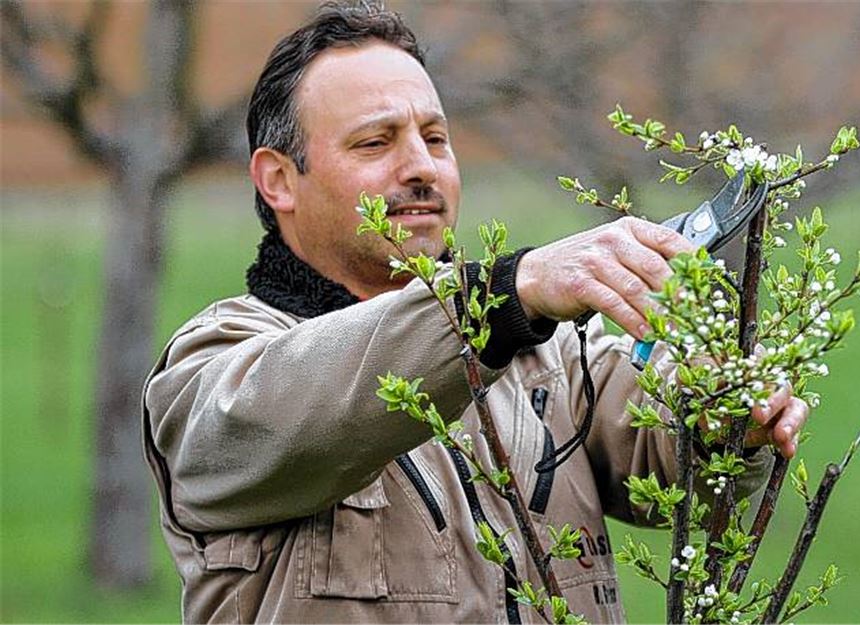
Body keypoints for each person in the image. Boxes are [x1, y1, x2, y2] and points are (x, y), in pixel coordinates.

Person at [142, 3, 809, 623]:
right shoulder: (211, 372)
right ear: (278, 179)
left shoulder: (549, 350)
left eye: (435, 138)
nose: (421, 167)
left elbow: (660, 450)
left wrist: (727, 420)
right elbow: (315, 400)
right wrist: (505, 295)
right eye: (375, 143)